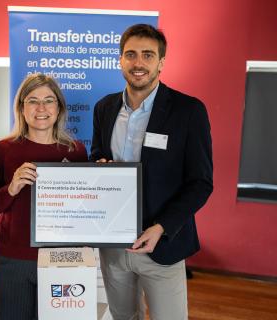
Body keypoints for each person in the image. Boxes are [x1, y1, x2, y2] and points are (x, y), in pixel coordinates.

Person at [91, 24, 213, 320]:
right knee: (122, 317)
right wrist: (100, 166)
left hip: (162, 245)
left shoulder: (188, 111)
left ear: (160, 62)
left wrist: (161, 227)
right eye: (131, 54)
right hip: (114, 244)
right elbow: (98, 154)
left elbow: (200, 183)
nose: (138, 63)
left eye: (148, 55)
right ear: (120, 60)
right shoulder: (104, 108)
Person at [0, 73, 88, 320]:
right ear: (21, 107)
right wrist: (12, 187)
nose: (41, 108)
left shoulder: (76, 151)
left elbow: (85, 207)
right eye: (32, 101)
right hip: (14, 260)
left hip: (63, 258)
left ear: (59, 107)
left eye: (49, 100)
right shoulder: (4, 149)